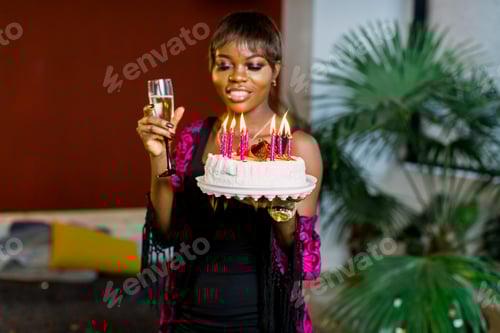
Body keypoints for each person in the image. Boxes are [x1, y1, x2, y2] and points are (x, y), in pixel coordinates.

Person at [136, 11, 322, 333]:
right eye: (224, 64)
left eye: (253, 65)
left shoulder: (297, 147)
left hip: (262, 320)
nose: (237, 76)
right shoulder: (195, 137)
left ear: (275, 71)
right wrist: (158, 155)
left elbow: (300, 255)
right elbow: (166, 233)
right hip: (189, 316)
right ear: (211, 69)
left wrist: (281, 209)